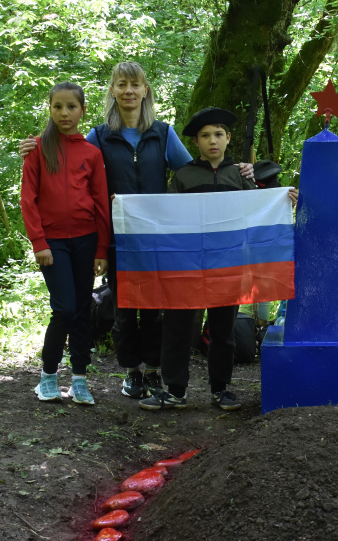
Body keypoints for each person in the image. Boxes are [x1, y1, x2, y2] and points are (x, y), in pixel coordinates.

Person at [19, 63, 253, 400]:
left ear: (146, 91)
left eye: (135, 84)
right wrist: (35, 147)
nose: (129, 91)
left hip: (161, 239)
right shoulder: (97, 136)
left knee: (156, 310)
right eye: (121, 84)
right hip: (117, 238)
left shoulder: (163, 132)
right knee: (124, 311)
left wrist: (239, 168)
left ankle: (155, 371)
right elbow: (68, 157)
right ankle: (131, 372)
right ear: (112, 91)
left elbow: (197, 173)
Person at [138, 107, 256, 411]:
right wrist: (128, 207)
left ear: (228, 138)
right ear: (197, 142)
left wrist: (284, 197)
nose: (212, 141)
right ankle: (175, 390)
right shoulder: (184, 176)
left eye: (218, 134)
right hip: (187, 266)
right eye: (205, 136)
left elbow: (257, 210)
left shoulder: (239, 175)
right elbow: (165, 218)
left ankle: (221, 389)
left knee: (223, 330)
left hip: (226, 264)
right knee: (178, 327)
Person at [20, 82, 110, 404]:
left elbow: (101, 203)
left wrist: (102, 248)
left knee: (82, 308)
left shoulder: (92, 153)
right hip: (53, 243)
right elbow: (27, 200)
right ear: (50, 110)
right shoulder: (37, 150)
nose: (64, 113)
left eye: (71, 106)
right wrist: (39, 242)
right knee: (65, 308)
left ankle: (80, 379)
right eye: (58, 106)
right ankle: (47, 376)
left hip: (86, 241)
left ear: (82, 110)